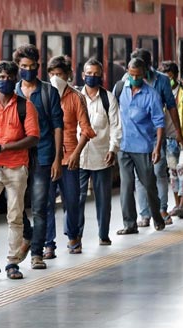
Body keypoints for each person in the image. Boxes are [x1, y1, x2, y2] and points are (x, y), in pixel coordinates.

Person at [0, 60, 40, 280]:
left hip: (16, 167)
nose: (5, 81)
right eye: (1, 77)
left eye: (10, 77)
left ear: (15, 80)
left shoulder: (25, 107)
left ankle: (13, 263)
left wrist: (6, 147)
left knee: (15, 216)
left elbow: (33, 137)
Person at [13, 44, 64, 270]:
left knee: (40, 207)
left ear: (38, 66)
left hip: (43, 156)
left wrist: (57, 159)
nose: (28, 70)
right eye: (24, 66)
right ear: (18, 66)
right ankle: (29, 234)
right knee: (14, 205)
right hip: (18, 157)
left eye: (32, 66)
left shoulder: (48, 92)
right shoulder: (12, 92)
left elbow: (58, 127)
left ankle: (36, 253)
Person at [43, 55, 95, 257]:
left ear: (68, 76)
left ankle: (73, 236)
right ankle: (49, 244)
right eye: (52, 74)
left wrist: (76, 153)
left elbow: (86, 129)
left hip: (69, 158)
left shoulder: (76, 97)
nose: (56, 78)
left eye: (60, 74)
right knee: (46, 202)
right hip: (47, 157)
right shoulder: (43, 95)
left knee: (72, 201)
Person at [130, 48, 183, 227]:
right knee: (139, 176)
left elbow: (171, 107)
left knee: (158, 171)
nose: (135, 75)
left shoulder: (162, 80)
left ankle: (162, 209)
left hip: (156, 135)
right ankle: (145, 214)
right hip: (136, 135)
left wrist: (178, 132)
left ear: (148, 66)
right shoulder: (127, 79)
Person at [115, 58, 166, 234]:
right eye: (131, 74)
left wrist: (157, 148)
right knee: (126, 186)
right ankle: (130, 224)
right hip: (123, 146)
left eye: (138, 75)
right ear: (127, 72)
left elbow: (159, 123)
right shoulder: (120, 89)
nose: (134, 78)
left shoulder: (151, 95)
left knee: (149, 185)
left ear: (144, 74)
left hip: (143, 147)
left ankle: (157, 217)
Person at [77, 58, 121, 245]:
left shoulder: (108, 98)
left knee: (103, 199)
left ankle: (103, 234)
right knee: (76, 199)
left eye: (96, 74)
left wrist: (113, 149)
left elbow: (116, 127)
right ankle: (75, 237)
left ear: (101, 76)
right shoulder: (76, 97)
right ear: (83, 75)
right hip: (78, 157)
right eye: (89, 73)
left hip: (102, 157)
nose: (92, 77)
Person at [159, 61, 183, 217]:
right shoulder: (158, 92)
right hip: (168, 138)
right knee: (173, 172)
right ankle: (177, 203)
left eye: (170, 77)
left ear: (176, 76)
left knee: (182, 168)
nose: (168, 80)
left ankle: (182, 205)